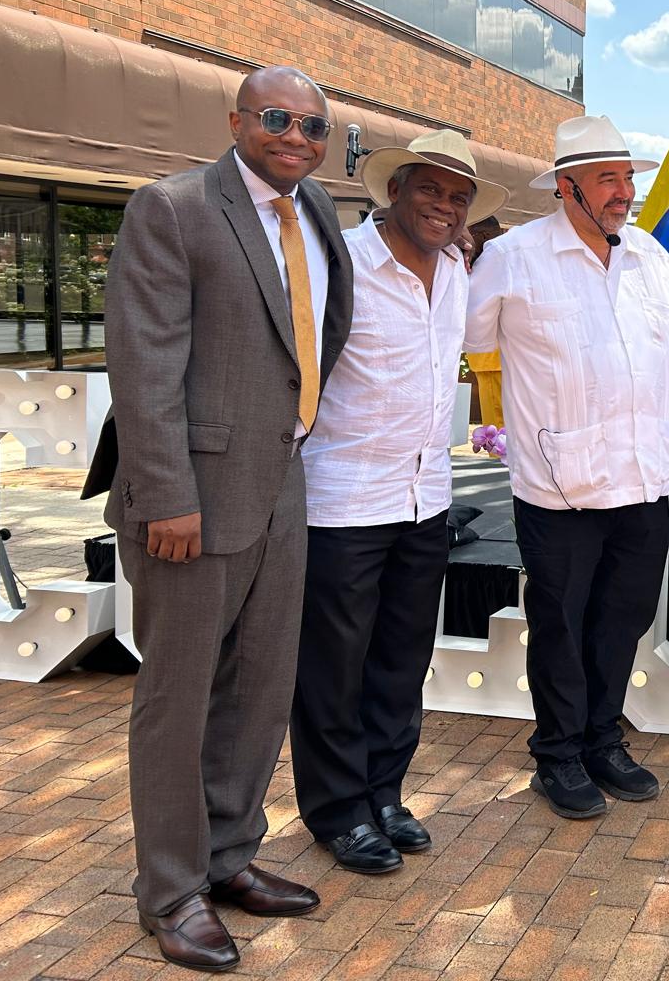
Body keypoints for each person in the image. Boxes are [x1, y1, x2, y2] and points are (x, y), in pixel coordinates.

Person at [93, 67, 353, 972]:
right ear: (237, 119)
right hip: (190, 502)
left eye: (314, 126)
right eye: (278, 119)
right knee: (180, 698)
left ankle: (230, 856)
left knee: (259, 687)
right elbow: (144, 363)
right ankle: (169, 891)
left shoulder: (315, 209)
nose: (297, 137)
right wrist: (164, 492)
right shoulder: (171, 209)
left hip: (283, 482)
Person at [289, 131, 507, 874]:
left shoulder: (456, 269)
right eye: (430, 189)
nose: (444, 206)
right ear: (395, 190)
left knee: (401, 661)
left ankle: (383, 792)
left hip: (425, 496)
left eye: (458, 196)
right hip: (343, 495)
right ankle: (335, 811)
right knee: (333, 667)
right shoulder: (339, 260)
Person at [465, 115, 669, 820]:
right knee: (559, 622)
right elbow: (460, 337)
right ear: (568, 187)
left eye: (627, 177)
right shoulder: (515, 256)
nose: (625, 192)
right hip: (558, 486)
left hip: (641, 478)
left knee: (623, 618)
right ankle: (557, 753)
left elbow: (665, 350)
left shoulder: (648, 255)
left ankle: (601, 739)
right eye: (609, 179)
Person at [462, 216, 507, 425]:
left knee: (499, 431)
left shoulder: (491, 263)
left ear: (480, 235)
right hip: (492, 358)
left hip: (493, 358)